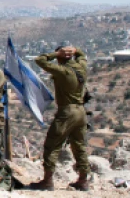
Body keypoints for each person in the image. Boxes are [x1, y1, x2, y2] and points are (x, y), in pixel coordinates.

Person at [30, 46, 90, 191]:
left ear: (60, 57)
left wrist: (56, 53)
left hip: (67, 112)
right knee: (79, 145)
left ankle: (48, 180)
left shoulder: (63, 71)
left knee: (52, 145)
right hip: (81, 111)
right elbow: (82, 56)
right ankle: (83, 180)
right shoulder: (81, 66)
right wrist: (75, 50)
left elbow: (40, 60)